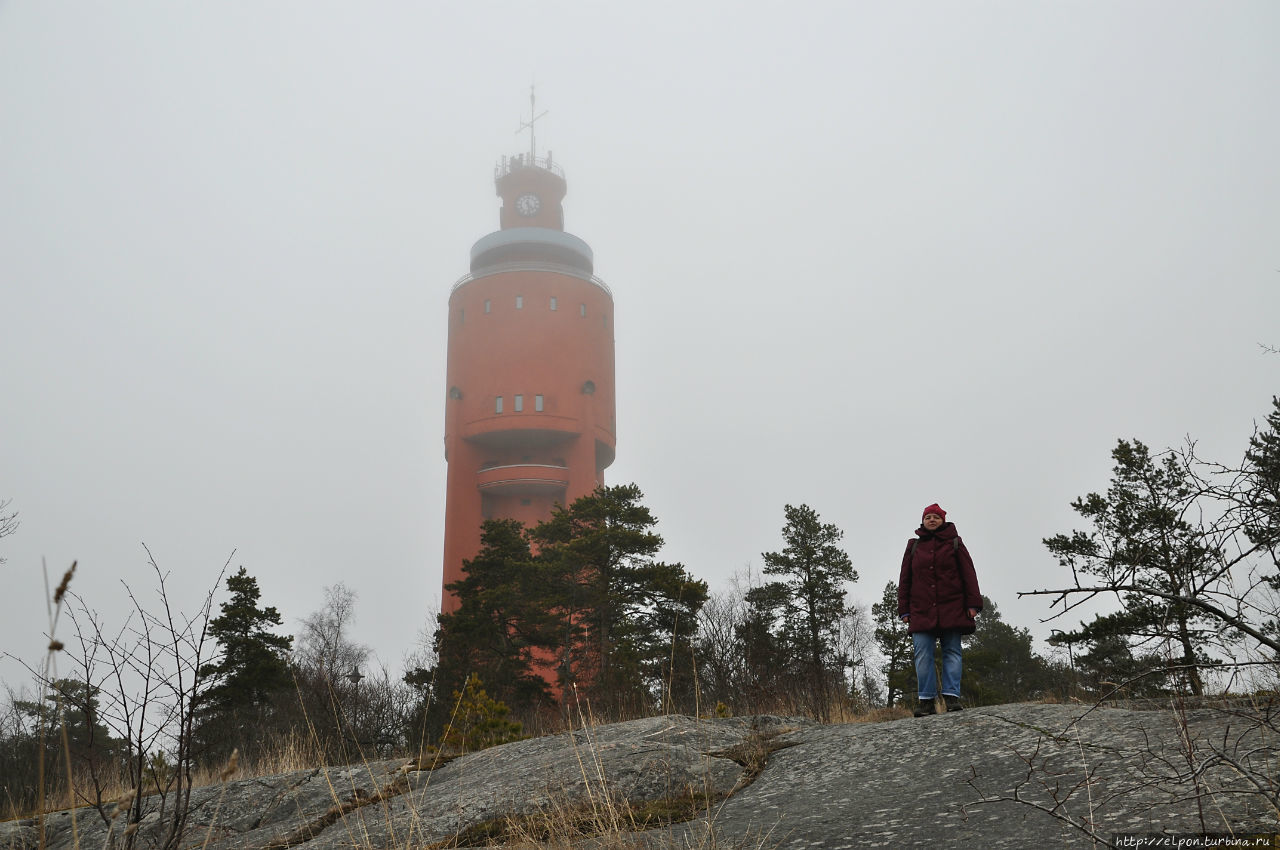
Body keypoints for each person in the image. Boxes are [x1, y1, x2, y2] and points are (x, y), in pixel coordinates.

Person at [897, 503, 982, 716]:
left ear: (943, 520)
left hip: (952, 607)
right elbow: (905, 579)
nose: (932, 520)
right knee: (922, 654)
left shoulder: (955, 543)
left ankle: (952, 698)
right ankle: (926, 702)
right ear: (923, 521)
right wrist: (904, 609)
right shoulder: (914, 546)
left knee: (952, 652)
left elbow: (969, 575)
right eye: (928, 517)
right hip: (921, 610)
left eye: (936, 517)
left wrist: (973, 604)